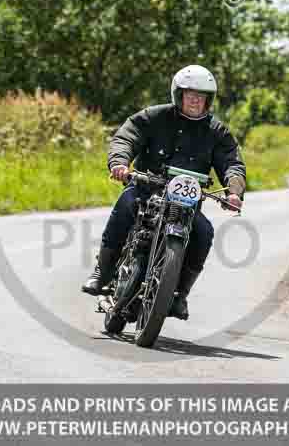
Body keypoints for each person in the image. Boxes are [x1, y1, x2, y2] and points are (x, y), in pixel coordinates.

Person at [80, 65, 247, 321]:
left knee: (203, 232)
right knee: (126, 204)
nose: (195, 100)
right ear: (178, 94)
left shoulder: (217, 132)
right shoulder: (154, 117)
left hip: (186, 205)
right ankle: (102, 272)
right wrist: (120, 163)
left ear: (208, 100)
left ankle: (179, 295)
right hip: (146, 189)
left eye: (201, 96)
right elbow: (127, 136)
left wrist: (234, 192)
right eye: (190, 94)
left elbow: (232, 163)